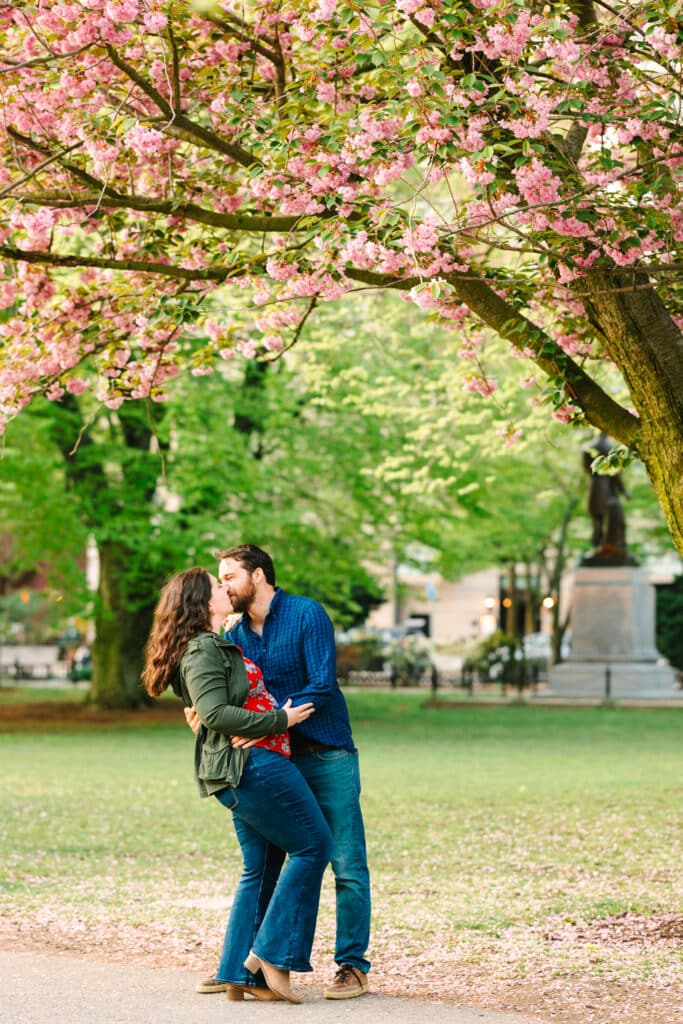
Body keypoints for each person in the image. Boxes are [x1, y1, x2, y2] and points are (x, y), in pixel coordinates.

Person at [186, 544, 371, 1000]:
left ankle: (351, 965)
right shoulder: (235, 633)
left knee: (345, 863)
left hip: (326, 753)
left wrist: (273, 720)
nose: (224, 584)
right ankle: (244, 964)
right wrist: (202, 713)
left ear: (259, 575)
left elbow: (322, 684)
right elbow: (221, 692)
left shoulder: (308, 614)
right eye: (220, 579)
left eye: (229, 575)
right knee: (266, 863)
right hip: (272, 763)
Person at [142, 567, 333, 1004]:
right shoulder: (202, 648)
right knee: (313, 846)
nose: (225, 588)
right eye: (217, 585)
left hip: (238, 769)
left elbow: (212, 706)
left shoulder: (212, 641)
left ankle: (235, 973)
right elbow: (213, 713)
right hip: (252, 766)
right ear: (204, 602)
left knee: (261, 867)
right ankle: (266, 956)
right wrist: (278, 720)